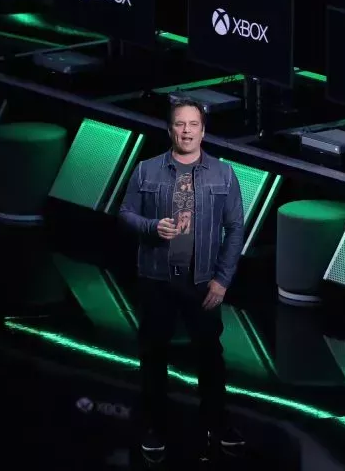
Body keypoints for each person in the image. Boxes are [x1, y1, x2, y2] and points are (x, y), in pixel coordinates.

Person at [119, 98, 245, 464]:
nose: (186, 131)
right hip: (157, 278)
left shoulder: (223, 174)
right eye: (180, 124)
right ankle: (154, 427)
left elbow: (235, 228)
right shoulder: (146, 170)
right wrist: (151, 226)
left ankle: (217, 424)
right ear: (170, 129)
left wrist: (222, 280)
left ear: (203, 131)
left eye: (193, 124)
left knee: (210, 357)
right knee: (153, 354)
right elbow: (125, 213)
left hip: (202, 280)